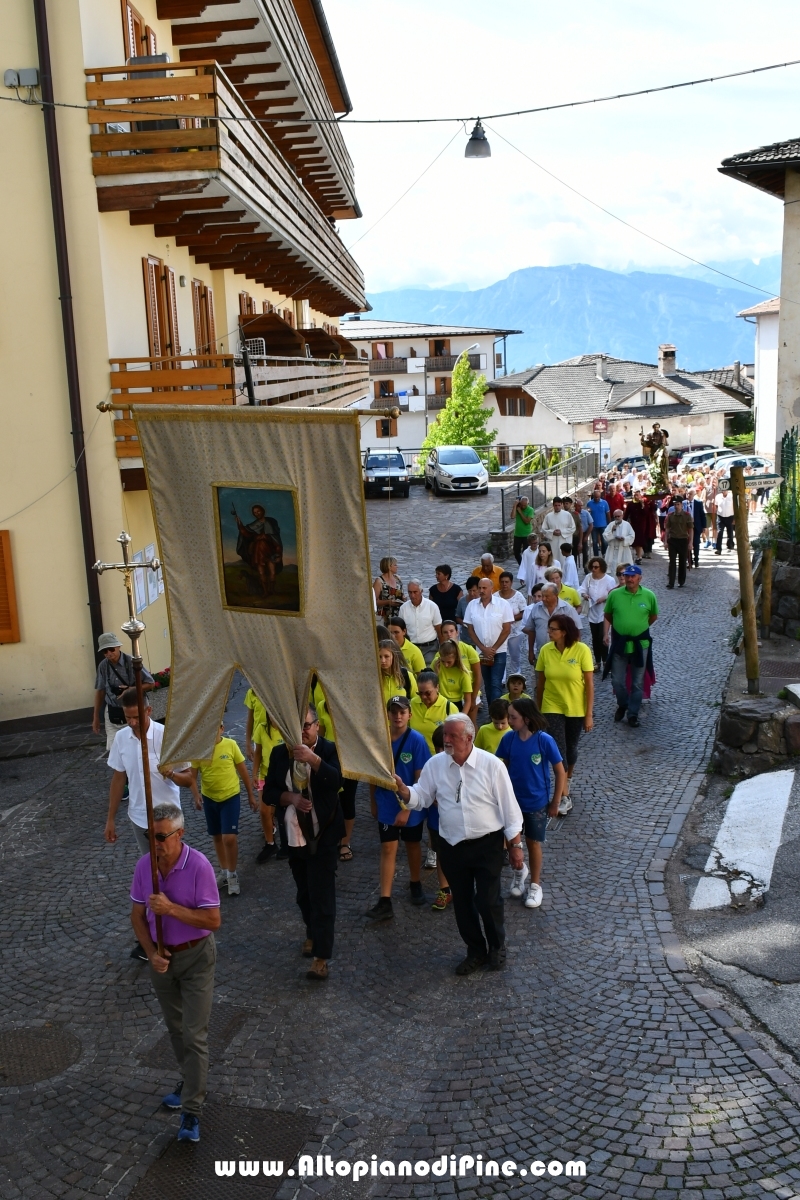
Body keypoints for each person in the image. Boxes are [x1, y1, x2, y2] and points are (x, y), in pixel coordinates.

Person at [393, 713, 524, 975]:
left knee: (488, 900)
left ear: (468, 737)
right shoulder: (435, 765)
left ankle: (497, 947)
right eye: (445, 735)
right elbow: (421, 796)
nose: (446, 739)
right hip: (451, 846)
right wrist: (405, 791)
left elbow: (509, 808)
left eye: (452, 735)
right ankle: (475, 951)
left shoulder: (491, 766)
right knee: (462, 903)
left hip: (487, 845)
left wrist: (515, 845)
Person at [130, 802, 221, 1144]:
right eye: (150, 836)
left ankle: (191, 1111)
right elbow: (137, 917)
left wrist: (171, 910)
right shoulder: (145, 867)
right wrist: (152, 953)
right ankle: (189, 1080)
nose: (155, 843)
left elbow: (212, 921)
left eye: (161, 836)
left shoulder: (198, 866)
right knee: (176, 1029)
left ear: (180, 834)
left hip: (196, 958)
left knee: (195, 1034)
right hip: (163, 961)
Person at [106, 689, 195, 960]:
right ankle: (153, 936)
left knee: (172, 874)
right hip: (138, 819)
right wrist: (110, 819)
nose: (131, 722)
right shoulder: (122, 739)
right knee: (151, 877)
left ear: (148, 711)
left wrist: (172, 773)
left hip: (167, 822)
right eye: (126, 717)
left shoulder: (167, 735)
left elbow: (189, 778)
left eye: (135, 716)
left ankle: (180, 930)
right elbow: (119, 779)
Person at [264, 706, 343, 982]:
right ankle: (311, 932)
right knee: (304, 892)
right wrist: (290, 798)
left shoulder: (330, 749)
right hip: (293, 834)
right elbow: (269, 792)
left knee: (322, 895)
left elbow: (336, 781)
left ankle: (321, 958)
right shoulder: (279, 753)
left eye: (307, 726)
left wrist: (314, 760)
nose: (303, 732)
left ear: (317, 726)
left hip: (324, 835)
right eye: (297, 727)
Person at [366, 696, 431, 921]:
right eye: (394, 712)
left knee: (413, 844)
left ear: (409, 715)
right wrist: (373, 801)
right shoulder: (379, 741)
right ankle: (385, 900)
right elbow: (373, 775)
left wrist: (409, 809)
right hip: (386, 804)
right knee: (387, 849)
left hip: (409, 805)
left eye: (402, 712)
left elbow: (421, 779)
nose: (398, 716)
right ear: (388, 714)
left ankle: (415, 881)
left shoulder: (417, 741)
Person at [496, 699, 566, 909]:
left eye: (513, 717)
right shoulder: (508, 739)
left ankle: (535, 885)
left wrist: (556, 801)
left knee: (533, 843)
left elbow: (560, 771)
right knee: (511, 842)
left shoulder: (544, 740)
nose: (509, 721)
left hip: (537, 803)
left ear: (526, 719)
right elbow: (501, 768)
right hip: (512, 803)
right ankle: (519, 873)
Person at [534, 613, 593, 814]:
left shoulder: (582, 650)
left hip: (576, 707)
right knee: (558, 750)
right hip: (552, 706)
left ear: (564, 632)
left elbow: (589, 685)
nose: (548, 632)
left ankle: (566, 778)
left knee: (570, 748)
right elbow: (540, 684)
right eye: (548, 628)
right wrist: (537, 711)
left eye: (553, 629)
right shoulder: (545, 651)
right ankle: (563, 796)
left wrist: (589, 714)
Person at [190, 724, 257, 896]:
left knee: (229, 837)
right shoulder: (200, 750)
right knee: (217, 836)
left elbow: (243, 771)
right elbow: (192, 776)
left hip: (230, 797)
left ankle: (233, 874)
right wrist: (196, 794)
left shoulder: (231, 745)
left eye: (216, 728)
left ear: (221, 728)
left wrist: (250, 796)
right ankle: (224, 871)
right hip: (210, 798)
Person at [603, 564, 658, 728]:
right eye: (626, 576)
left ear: (639, 578)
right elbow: (608, 615)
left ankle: (633, 714)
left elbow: (653, 617)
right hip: (620, 644)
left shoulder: (649, 595)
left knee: (637, 682)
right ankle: (623, 704)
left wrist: (637, 630)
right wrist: (622, 630)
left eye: (633, 576)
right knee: (617, 681)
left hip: (640, 645)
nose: (629, 579)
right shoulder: (615, 595)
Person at [92, 632, 154, 751]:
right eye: (105, 651)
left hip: (133, 711)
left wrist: (131, 689)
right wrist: (95, 717)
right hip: (113, 712)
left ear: (118, 647)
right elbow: (100, 691)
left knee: (137, 746)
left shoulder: (132, 662)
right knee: (114, 749)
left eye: (111, 649)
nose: (109, 653)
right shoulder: (103, 666)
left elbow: (150, 683)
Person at [464, 578, 513, 707]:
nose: (481, 591)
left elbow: (507, 629)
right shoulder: (472, 605)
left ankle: (496, 713)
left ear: (492, 588)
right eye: (479, 588)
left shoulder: (503, 605)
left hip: (499, 651)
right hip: (480, 652)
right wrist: (483, 648)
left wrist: (493, 648)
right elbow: (470, 630)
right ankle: (493, 710)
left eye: (484, 588)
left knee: (496, 682)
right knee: (487, 683)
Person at [252, 712, 284, 863]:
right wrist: (254, 773)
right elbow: (258, 752)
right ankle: (270, 843)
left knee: (283, 811)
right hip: (264, 775)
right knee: (264, 811)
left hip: (282, 776)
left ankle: (288, 844)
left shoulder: (285, 728)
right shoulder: (261, 728)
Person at [437, 619, 482, 725]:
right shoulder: (441, 654)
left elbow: (477, 675)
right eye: (445, 632)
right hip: (450, 695)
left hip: (469, 693)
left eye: (451, 631)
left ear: (457, 632)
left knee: (470, 724)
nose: (449, 634)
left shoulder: (468, 650)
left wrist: (473, 698)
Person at [523, 583, 576, 662]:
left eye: (547, 596)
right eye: (543, 595)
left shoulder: (567, 609)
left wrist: (574, 654)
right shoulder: (536, 608)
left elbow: (575, 632)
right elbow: (531, 631)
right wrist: (531, 652)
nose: (543, 599)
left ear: (556, 595)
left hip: (562, 655)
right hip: (541, 654)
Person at [580, 556, 616, 671]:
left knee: (603, 636)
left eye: (596, 567)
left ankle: (606, 660)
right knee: (595, 637)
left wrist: (605, 598)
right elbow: (582, 589)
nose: (594, 569)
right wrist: (585, 595)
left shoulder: (609, 580)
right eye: (592, 567)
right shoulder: (588, 578)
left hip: (604, 612)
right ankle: (597, 661)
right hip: (593, 611)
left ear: (601, 568)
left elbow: (613, 593)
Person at [410, 671, 460, 752]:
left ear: (437, 687)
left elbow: (457, 738)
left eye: (428, 693)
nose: (423, 697)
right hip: (415, 756)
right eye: (420, 693)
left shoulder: (449, 708)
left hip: (438, 757)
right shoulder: (412, 704)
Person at [398, 581, 442, 664]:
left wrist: (442, 649)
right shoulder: (403, 608)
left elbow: (439, 629)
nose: (412, 595)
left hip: (430, 647)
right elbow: (401, 630)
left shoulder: (432, 606)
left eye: (415, 592)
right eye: (410, 592)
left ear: (421, 591)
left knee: (429, 672)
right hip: (411, 647)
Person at [497, 569, 527, 679]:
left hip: (515, 632)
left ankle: (516, 674)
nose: (504, 584)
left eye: (507, 582)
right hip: (500, 632)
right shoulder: (495, 597)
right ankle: (502, 678)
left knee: (515, 656)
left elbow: (524, 612)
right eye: (502, 582)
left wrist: (510, 619)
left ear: (511, 582)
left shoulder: (518, 596)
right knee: (501, 655)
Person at [432, 639, 473, 712]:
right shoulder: (436, 664)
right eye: (443, 661)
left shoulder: (463, 673)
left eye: (449, 662)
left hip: (456, 704)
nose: (445, 665)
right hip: (438, 701)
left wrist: (462, 717)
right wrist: (436, 674)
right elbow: (430, 685)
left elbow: (468, 701)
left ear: (456, 658)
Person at [664, 495, 694, 588]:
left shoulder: (687, 516)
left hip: (683, 540)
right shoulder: (670, 516)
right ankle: (671, 583)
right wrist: (665, 541)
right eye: (675, 504)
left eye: (678, 504)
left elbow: (690, 529)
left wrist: (690, 542)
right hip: (673, 540)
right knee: (672, 561)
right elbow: (667, 529)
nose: (676, 506)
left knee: (682, 562)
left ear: (681, 505)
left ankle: (681, 581)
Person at [379, 639, 417, 706]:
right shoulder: (374, 678)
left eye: (386, 656)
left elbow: (415, 700)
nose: (383, 660)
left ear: (394, 656)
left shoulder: (406, 675)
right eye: (380, 657)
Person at [540, 498, 575, 567]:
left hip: (564, 541)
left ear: (561, 505)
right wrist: (552, 532)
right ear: (553, 505)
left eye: (559, 505)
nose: (557, 507)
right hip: (553, 542)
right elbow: (543, 530)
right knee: (553, 561)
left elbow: (573, 528)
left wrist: (562, 532)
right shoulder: (548, 516)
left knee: (564, 562)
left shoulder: (567, 515)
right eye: (555, 505)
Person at [373, 556, 405, 621]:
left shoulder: (397, 578)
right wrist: (388, 602)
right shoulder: (379, 581)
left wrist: (403, 598)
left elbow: (401, 593)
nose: (397, 567)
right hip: (384, 615)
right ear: (389, 567)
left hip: (398, 613)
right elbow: (374, 601)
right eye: (395, 565)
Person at [455, 576, 480, 645]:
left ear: (479, 589)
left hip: (480, 638)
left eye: (474, 591)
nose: (472, 593)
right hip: (466, 638)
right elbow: (457, 617)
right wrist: (463, 623)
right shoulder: (462, 601)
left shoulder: (483, 600)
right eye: (469, 591)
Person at [511, 495, 535, 564]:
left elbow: (527, 521)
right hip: (517, 534)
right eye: (522, 505)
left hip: (526, 535)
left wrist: (520, 512)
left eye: (525, 505)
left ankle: (525, 566)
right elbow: (512, 516)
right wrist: (515, 506)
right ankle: (522, 565)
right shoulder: (518, 508)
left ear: (528, 504)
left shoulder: (530, 510)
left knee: (525, 553)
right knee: (516, 552)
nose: (523, 507)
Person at [587, 488, 610, 556]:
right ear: (593, 496)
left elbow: (608, 513)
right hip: (594, 526)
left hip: (603, 525)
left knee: (604, 541)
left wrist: (609, 524)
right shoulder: (589, 503)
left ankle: (604, 554)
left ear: (600, 496)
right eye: (595, 497)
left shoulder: (604, 503)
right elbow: (588, 514)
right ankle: (596, 556)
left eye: (598, 497)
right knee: (594, 542)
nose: (597, 498)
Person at [714, 483, 735, 554]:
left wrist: (734, 519)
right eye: (722, 490)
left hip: (730, 516)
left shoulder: (731, 496)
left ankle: (730, 545)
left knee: (730, 533)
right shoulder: (718, 497)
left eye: (725, 489)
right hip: (720, 517)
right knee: (720, 532)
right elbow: (716, 506)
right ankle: (718, 549)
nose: (724, 491)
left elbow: (735, 507)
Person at [689, 488, 707, 569]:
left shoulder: (698, 503)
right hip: (687, 527)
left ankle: (696, 560)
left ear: (693, 495)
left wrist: (704, 526)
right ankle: (689, 561)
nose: (688, 495)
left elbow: (702, 515)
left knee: (696, 543)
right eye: (687, 494)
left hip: (696, 526)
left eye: (690, 494)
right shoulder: (684, 503)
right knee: (688, 543)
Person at [575, 499, 592, 567]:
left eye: (581, 506)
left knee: (585, 552)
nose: (581, 507)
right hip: (575, 535)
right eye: (579, 506)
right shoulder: (573, 514)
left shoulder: (586, 513)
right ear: (575, 506)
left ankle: (586, 567)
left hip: (584, 533)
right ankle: (575, 567)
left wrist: (586, 536)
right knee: (575, 552)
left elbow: (591, 525)